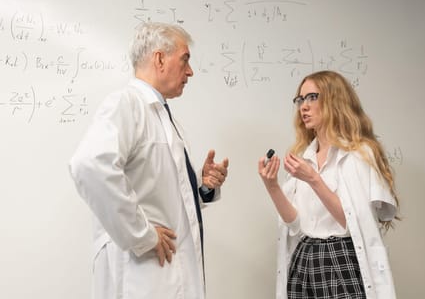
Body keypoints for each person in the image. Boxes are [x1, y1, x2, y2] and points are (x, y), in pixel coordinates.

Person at [69, 22, 229, 299]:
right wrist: (141, 235)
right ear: (159, 59)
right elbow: (89, 165)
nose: (190, 71)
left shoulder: (164, 118)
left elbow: (163, 195)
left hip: (164, 274)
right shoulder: (125, 104)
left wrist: (201, 187)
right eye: (185, 59)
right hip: (139, 274)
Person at [258, 70, 399, 299]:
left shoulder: (359, 154)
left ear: (334, 99)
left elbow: (350, 221)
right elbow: (295, 224)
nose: (304, 106)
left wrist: (313, 179)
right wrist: (271, 185)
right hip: (304, 261)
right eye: (300, 99)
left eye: (312, 97)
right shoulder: (304, 156)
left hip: (340, 259)